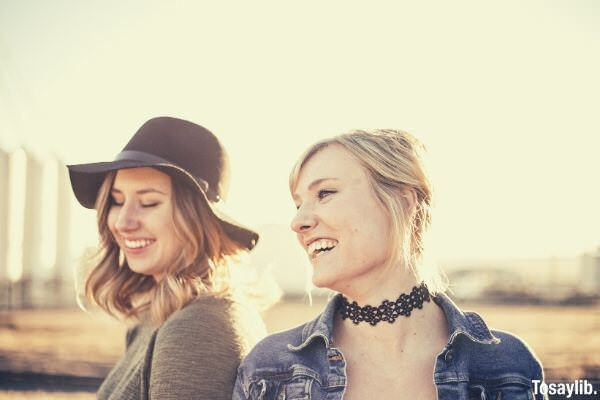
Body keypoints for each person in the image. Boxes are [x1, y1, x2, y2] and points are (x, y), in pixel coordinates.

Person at [233, 129, 547, 400]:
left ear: (403, 201)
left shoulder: (509, 366)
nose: (298, 221)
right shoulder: (268, 370)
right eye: (298, 204)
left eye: (325, 193)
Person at [68, 116, 266, 400]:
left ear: (197, 218)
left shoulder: (197, 328)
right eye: (117, 200)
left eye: (149, 202)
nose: (123, 222)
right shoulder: (159, 318)